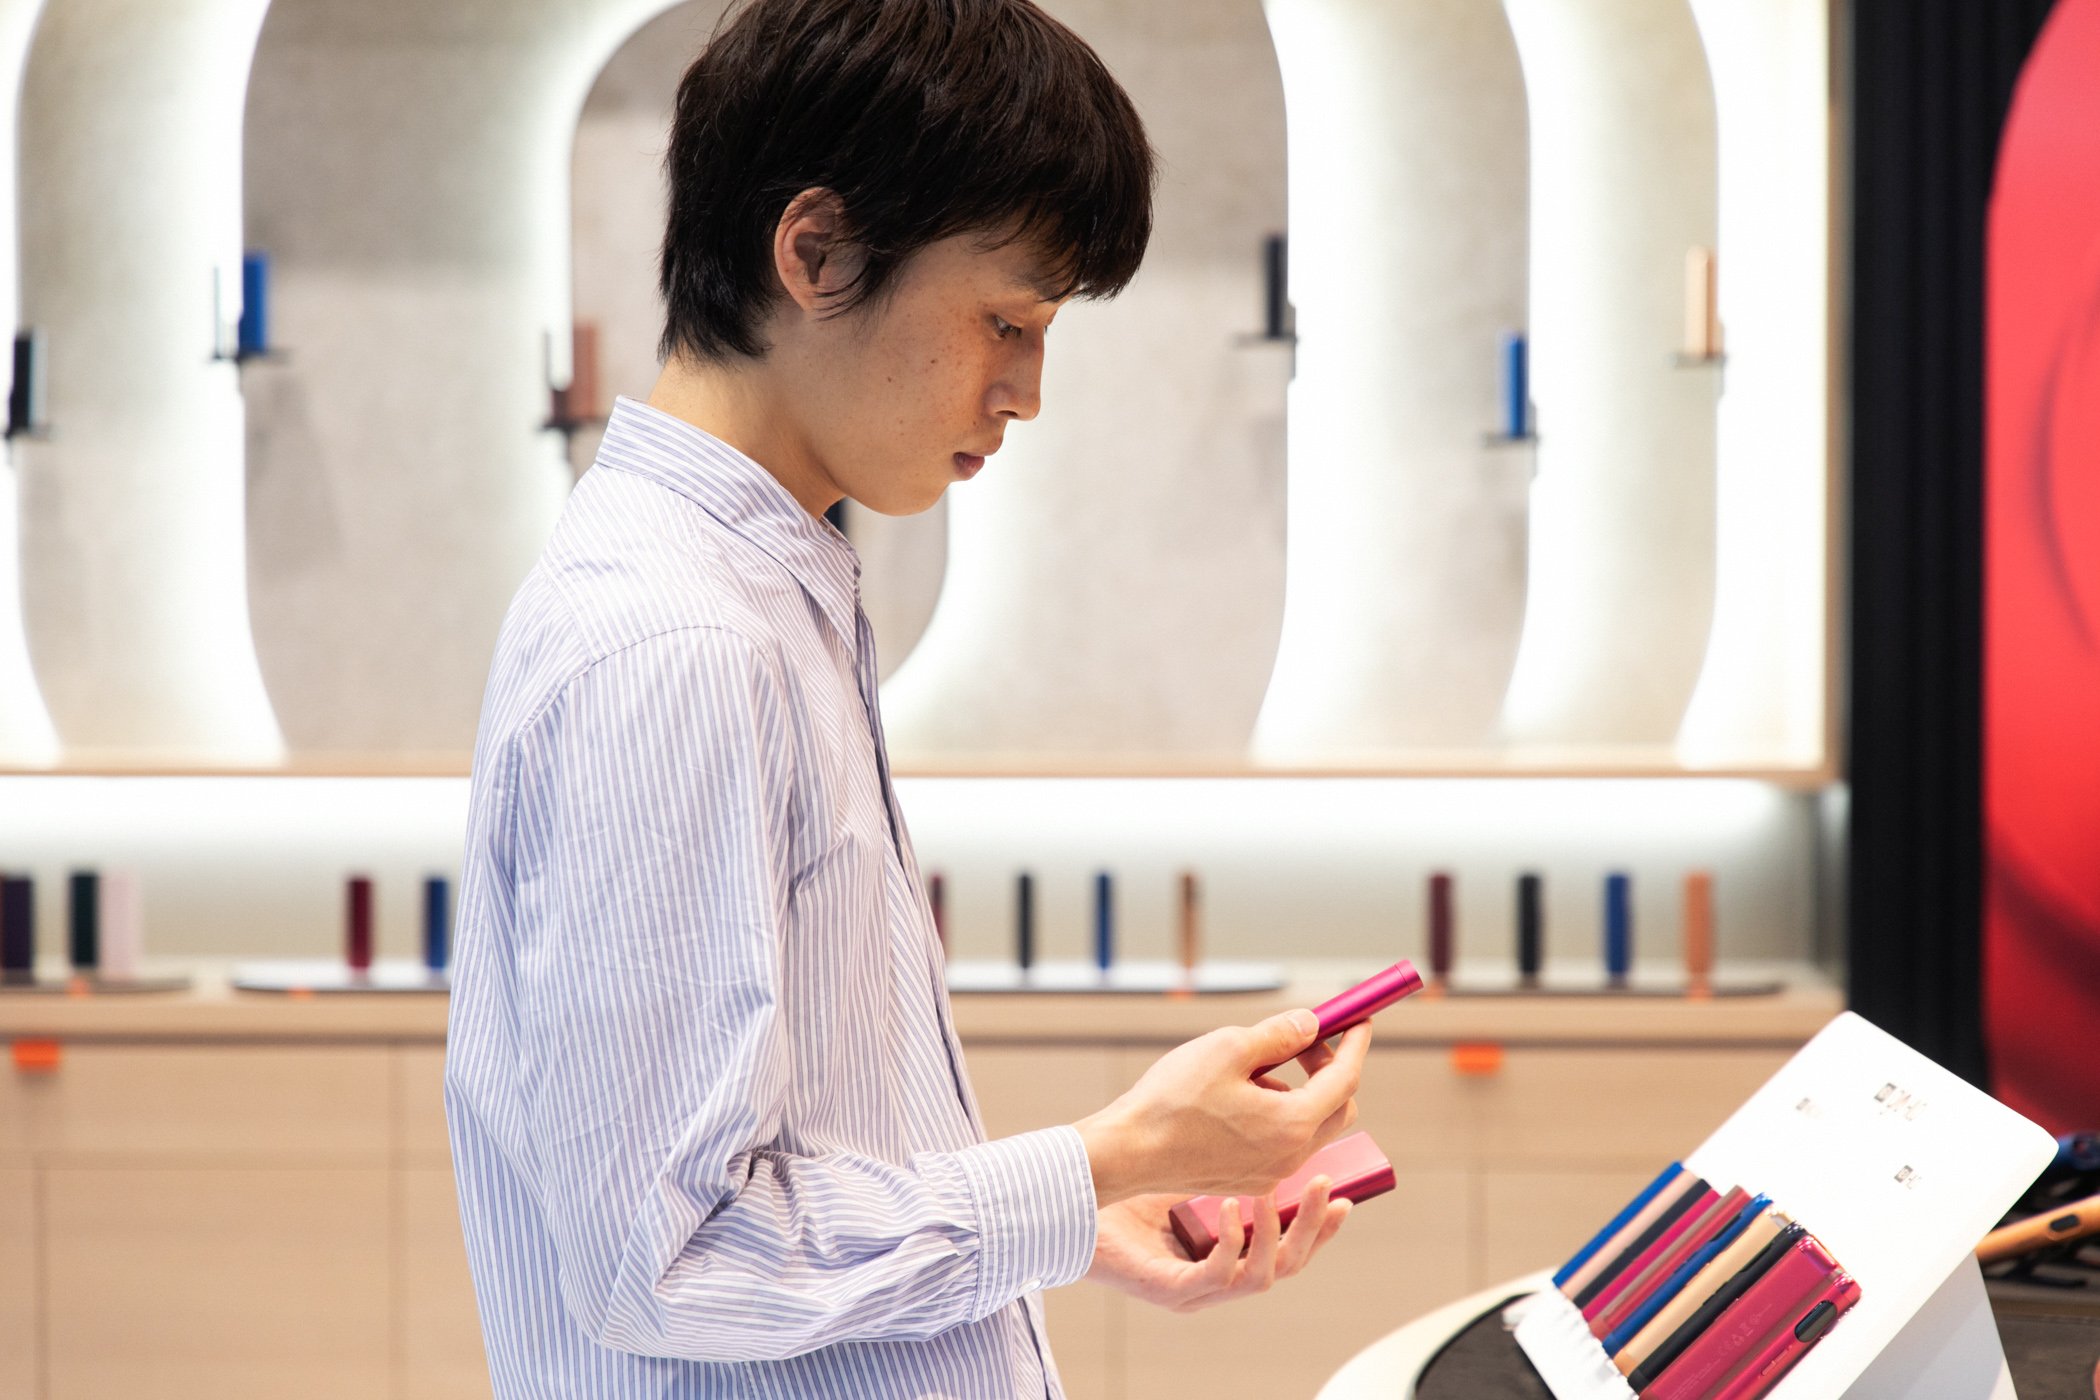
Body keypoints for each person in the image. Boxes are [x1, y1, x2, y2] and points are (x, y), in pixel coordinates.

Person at [443, 1, 1370, 1395]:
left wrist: (1069, 1221)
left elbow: (791, 1166)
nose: (1026, 392)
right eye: (1006, 321)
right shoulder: (678, 643)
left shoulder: (764, 588)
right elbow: (672, 1258)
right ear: (816, 253)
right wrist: (1108, 1158)